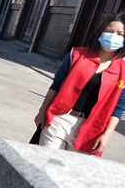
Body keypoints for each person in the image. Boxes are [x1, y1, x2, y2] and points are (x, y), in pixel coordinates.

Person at [34, 13, 125, 156]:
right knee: (47, 164)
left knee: (71, 173)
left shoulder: (123, 71)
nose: (113, 36)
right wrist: (42, 111)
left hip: (91, 130)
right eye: (109, 31)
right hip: (60, 119)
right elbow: (56, 85)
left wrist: (106, 135)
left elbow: (119, 107)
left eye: (120, 34)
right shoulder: (76, 55)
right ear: (100, 32)